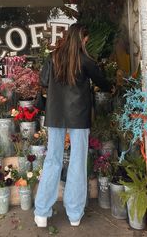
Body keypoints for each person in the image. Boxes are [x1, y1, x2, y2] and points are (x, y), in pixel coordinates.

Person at [34, 23, 113, 227]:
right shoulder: (86, 60)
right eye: (86, 39)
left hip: (55, 114)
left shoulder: (52, 57)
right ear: (82, 39)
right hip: (79, 116)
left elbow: (43, 81)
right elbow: (103, 82)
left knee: (52, 159)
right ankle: (74, 214)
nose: (87, 42)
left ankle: (41, 212)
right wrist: (113, 86)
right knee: (78, 161)